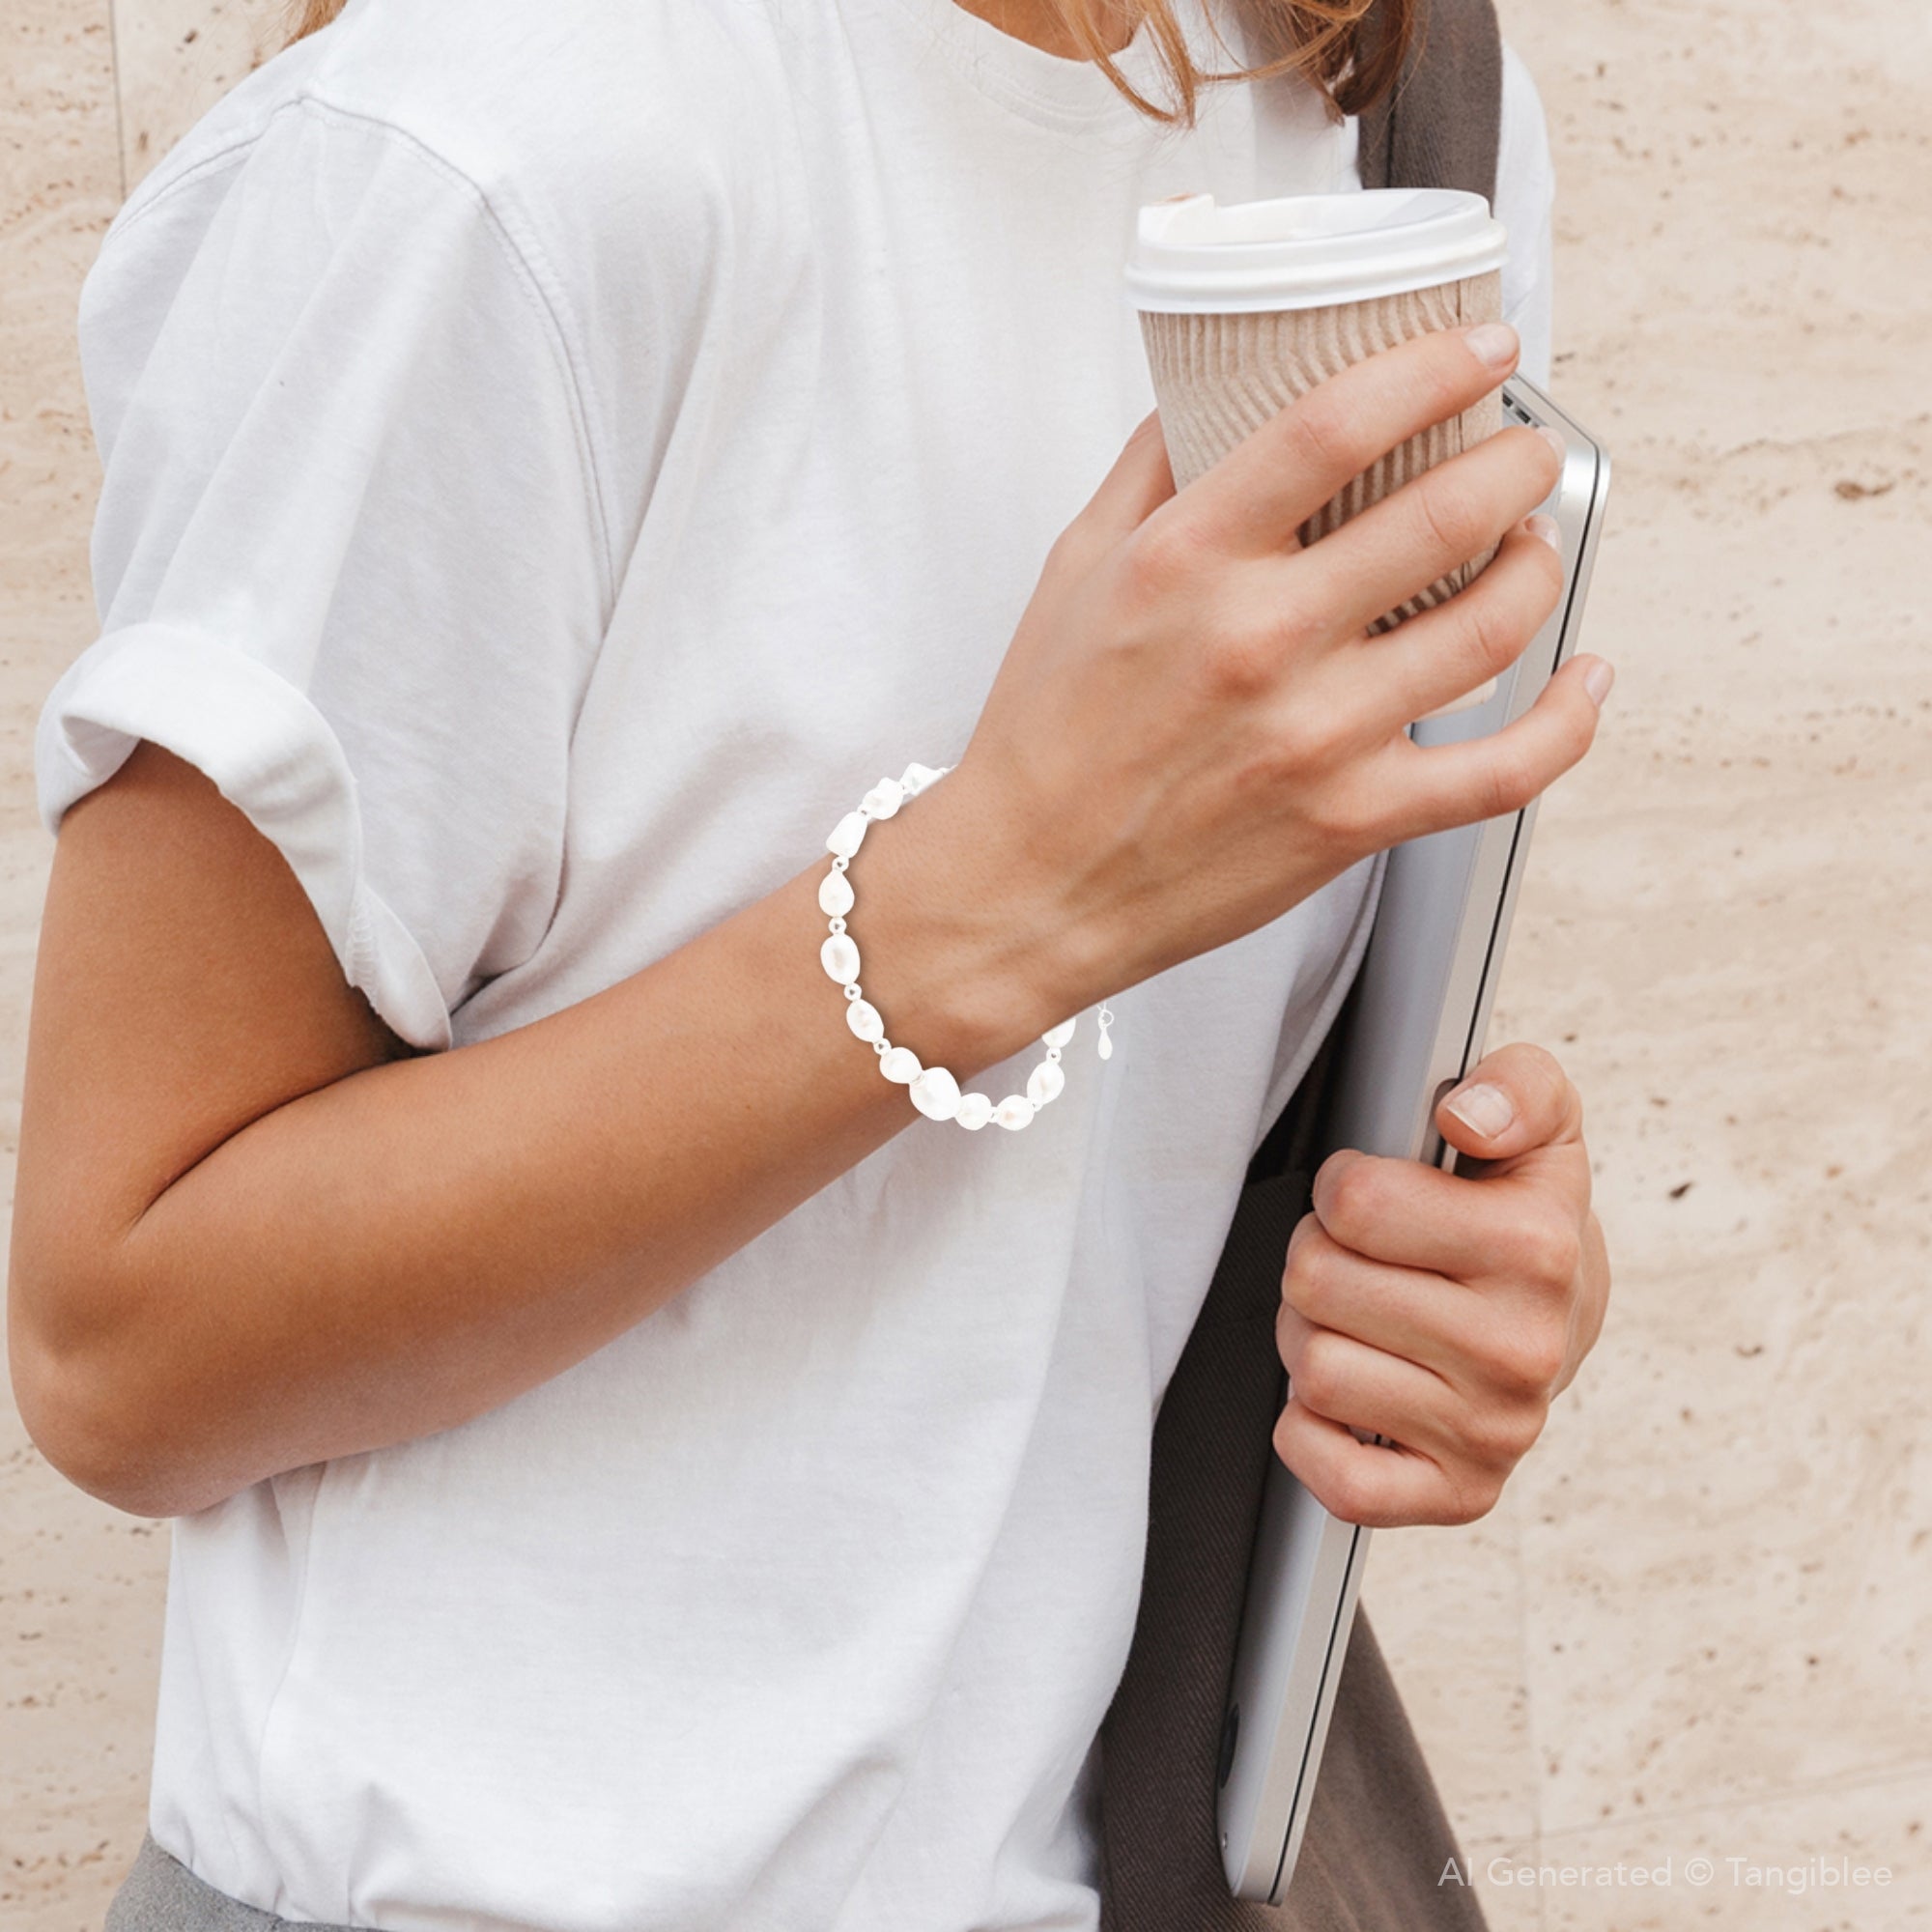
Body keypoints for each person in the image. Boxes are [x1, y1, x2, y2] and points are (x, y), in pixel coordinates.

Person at [11, 0, 1611, 1925]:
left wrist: (1448, 1276)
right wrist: (987, 903)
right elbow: (118, 1343)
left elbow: (1132, 1171)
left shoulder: (1389, 126)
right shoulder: (496, 152)